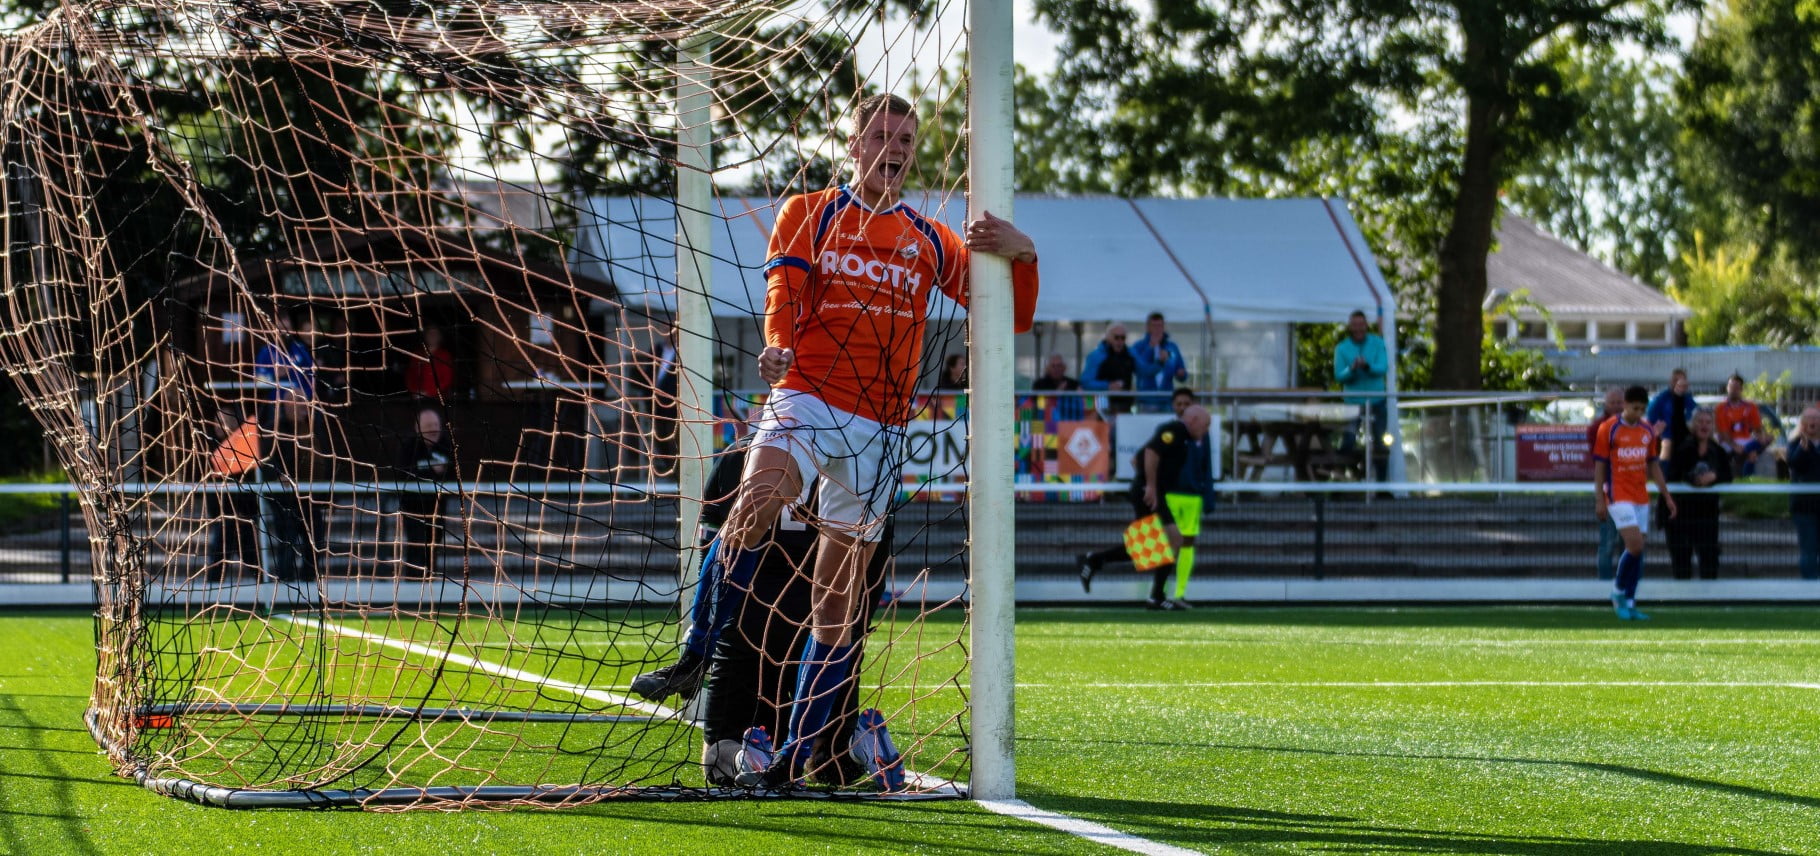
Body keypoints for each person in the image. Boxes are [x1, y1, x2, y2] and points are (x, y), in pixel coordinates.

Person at [702, 93, 1038, 790]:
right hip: (807, 398)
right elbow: (782, 297)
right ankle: (694, 658)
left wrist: (1025, 254)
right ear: (854, 144)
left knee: (838, 602)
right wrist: (776, 347)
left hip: (880, 432)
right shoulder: (813, 211)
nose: (896, 147)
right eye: (882, 134)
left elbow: (1010, 318)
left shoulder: (930, 239)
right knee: (754, 505)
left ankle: (796, 757)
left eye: (906, 138)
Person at [1076, 405, 1216, 610]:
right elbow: (1151, 452)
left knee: (1152, 545)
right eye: (1205, 425)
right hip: (1150, 494)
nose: (1206, 430)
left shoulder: (1182, 437)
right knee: (1171, 540)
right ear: (1194, 420)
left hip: (1153, 493)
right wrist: (1149, 485)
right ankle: (1156, 596)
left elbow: (1136, 459)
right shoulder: (1175, 431)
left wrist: (1148, 481)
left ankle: (1094, 561)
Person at [1593, 385, 1676, 620]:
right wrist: (1599, 499)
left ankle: (1630, 602)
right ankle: (1618, 591)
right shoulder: (1608, 428)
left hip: (1640, 496)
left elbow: (1653, 465)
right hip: (1618, 494)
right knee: (1635, 545)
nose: (1638, 413)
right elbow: (1599, 467)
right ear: (1625, 405)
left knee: (1637, 552)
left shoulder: (1647, 430)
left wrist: (1666, 496)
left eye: (1642, 409)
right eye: (1635, 408)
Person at [1665, 409, 1731, 580]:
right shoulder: (1682, 448)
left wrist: (1714, 476)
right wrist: (1693, 479)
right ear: (1693, 425)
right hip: (1681, 514)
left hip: (1707, 515)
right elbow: (1673, 474)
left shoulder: (1718, 451)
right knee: (1681, 561)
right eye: (1700, 422)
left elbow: (1728, 475)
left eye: (1708, 422)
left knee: (1709, 559)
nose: (1704, 426)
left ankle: (1708, 593)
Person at [205, 407, 263, 580]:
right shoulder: (214, 448)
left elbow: (249, 483)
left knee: (248, 556)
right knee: (221, 556)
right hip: (224, 516)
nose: (217, 425)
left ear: (233, 422)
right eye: (216, 421)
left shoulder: (245, 447)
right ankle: (213, 585)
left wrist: (244, 511)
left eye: (222, 421)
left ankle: (263, 584)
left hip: (242, 516)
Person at [396, 407, 455, 575]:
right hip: (413, 508)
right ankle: (413, 583)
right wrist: (432, 471)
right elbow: (404, 473)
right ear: (418, 428)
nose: (433, 429)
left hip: (437, 509)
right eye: (428, 426)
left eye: (435, 425)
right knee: (416, 546)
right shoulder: (409, 447)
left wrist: (439, 472)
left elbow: (453, 474)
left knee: (433, 547)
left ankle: (431, 582)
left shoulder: (446, 445)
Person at [1333, 310, 1389, 480]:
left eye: (1361, 325)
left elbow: (1383, 367)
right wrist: (1352, 369)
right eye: (1355, 325)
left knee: (1381, 442)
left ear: (1366, 325)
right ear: (1350, 327)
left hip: (1377, 401)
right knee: (1348, 441)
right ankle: (1341, 481)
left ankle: (1382, 485)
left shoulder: (1378, 343)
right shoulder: (1342, 348)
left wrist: (1367, 366)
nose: (1358, 328)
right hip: (1353, 402)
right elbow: (1339, 375)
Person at [1587, 387, 1625, 581]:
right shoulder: (1597, 428)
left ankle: (1627, 586)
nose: (1616, 406)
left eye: (1620, 402)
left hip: (1630, 493)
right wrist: (1600, 498)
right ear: (1606, 404)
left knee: (1630, 545)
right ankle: (1604, 587)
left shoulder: (1635, 426)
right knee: (1607, 543)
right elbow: (1599, 464)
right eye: (1613, 402)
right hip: (1609, 492)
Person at [1786, 407, 1820, 581]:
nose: (1812, 422)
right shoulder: (1794, 443)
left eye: (1816, 418)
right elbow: (1793, 464)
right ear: (1802, 423)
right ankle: (1810, 588)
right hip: (1804, 507)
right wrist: (1803, 449)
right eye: (1809, 418)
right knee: (1809, 550)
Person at [1130, 311, 1187, 412]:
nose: (1157, 329)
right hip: (1146, 400)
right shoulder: (1138, 346)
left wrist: (1181, 374)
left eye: (1160, 326)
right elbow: (1140, 369)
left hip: (1167, 400)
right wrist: (1150, 348)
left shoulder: (1172, 347)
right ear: (1148, 327)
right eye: (1154, 326)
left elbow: (1181, 371)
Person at [1714, 373, 1767, 473]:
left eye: (1736, 388)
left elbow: (1757, 428)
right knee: (1750, 454)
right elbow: (1723, 433)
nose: (1733, 390)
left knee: (1767, 439)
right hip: (1727, 441)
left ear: (1741, 389)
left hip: (1745, 440)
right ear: (1727, 388)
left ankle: (1747, 476)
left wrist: (1761, 436)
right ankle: (1744, 473)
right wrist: (1734, 446)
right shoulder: (1721, 408)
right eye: (1731, 387)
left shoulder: (1751, 406)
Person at [1080, 324, 1136, 414]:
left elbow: (1144, 370)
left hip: (1124, 405)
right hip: (1101, 404)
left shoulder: (1130, 354)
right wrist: (1108, 385)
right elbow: (1085, 382)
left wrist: (1157, 361)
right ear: (1108, 337)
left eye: (1123, 338)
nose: (1120, 341)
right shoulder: (1096, 356)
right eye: (1116, 337)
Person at [1646, 368, 1697, 460]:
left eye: (1680, 381)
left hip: (1685, 435)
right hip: (1667, 435)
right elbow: (1651, 418)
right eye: (1675, 380)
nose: (1677, 383)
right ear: (1670, 381)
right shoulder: (1660, 399)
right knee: (1667, 444)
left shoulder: (1688, 399)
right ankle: (1663, 465)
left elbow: (1695, 415)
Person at [404, 326, 457, 401]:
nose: (432, 336)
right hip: (418, 398)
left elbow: (447, 379)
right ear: (425, 336)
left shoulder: (445, 355)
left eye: (435, 333)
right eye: (430, 333)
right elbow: (410, 376)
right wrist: (415, 392)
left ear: (440, 337)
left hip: (439, 399)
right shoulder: (417, 354)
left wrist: (429, 393)